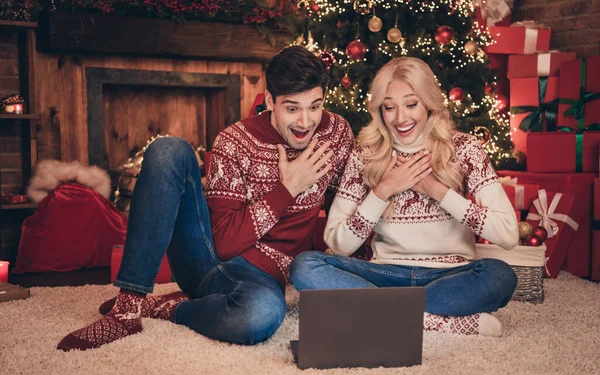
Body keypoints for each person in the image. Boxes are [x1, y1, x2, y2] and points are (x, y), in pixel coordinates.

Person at [57, 46, 355, 351]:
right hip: (207, 259)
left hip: (262, 280)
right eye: (292, 108)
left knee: (260, 315)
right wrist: (287, 189)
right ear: (270, 102)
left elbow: (344, 206)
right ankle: (128, 308)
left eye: (315, 106)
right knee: (168, 150)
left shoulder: (336, 134)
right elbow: (224, 243)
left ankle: (169, 308)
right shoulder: (234, 141)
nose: (305, 122)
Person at [290, 57, 519, 337]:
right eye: (389, 107)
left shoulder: (465, 148)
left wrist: (436, 189)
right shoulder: (365, 155)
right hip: (385, 275)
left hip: (449, 275)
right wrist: (384, 189)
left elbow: (508, 235)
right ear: (380, 110)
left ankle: (380, 313)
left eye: (411, 104)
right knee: (306, 266)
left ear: (429, 103)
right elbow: (339, 246)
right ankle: (439, 322)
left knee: (500, 276)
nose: (401, 119)